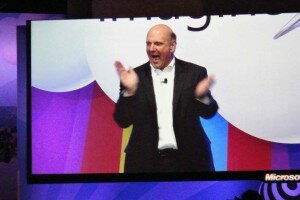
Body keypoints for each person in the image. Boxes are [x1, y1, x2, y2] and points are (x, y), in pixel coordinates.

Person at [113, 24, 218, 173]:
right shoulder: (134, 76)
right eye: (148, 43)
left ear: (172, 46)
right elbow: (122, 120)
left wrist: (201, 97)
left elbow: (209, 113)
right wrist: (129, 92)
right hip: (144, 163)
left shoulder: (194, 73)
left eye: (158, 43)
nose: (151, 49)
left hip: (191, 161)